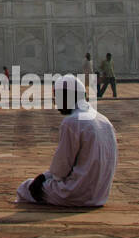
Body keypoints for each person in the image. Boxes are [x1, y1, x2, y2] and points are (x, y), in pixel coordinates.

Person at [15, 76, 117, 207]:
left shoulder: (72, 122)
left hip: (76, 193)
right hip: (100, 195)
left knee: (25, 188)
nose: (55, 103)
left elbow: (61, 169)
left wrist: (44, 179)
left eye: (57, 97)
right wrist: (46, 175)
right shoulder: (104, 120)